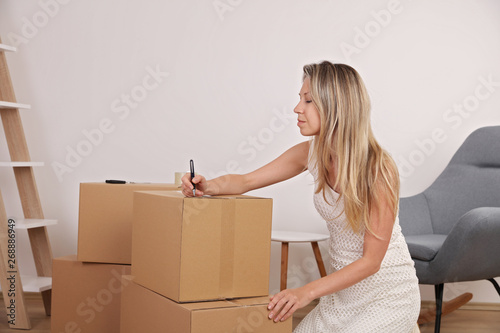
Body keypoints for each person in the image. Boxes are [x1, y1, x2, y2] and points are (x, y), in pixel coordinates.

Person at [181, 61, 421, 332]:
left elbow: (371, 261)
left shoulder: (378, 168)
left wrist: (305, 292)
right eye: (300, 99)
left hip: (387, 295)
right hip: (342, 296)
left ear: (335, 106)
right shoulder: (311, 153)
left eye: (308, 100)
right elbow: (247, 180)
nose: (297, 108)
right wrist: (206, 185)